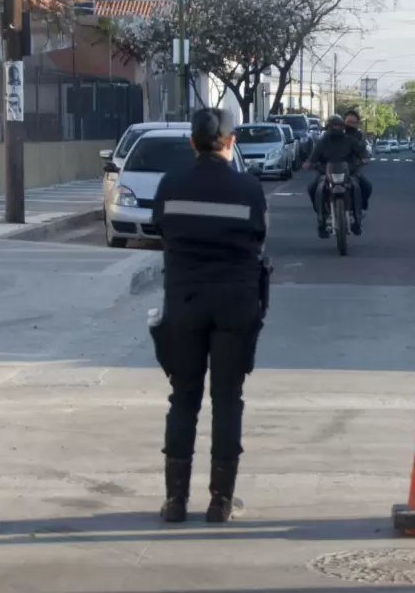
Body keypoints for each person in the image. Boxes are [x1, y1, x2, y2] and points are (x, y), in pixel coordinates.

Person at [149, 107, 270, 524]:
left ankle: (175, 502)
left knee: (183, 398)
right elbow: (259, 236)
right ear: (231, 141)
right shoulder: (249, 188)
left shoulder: (171, 184)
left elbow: (160, 229)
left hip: (184, 302)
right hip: (236, 303)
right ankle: (221, 501)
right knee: (227, 399)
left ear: (192, 143)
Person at [304, 114, 369, 237]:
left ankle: (358, 217)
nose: (337, 128)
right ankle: (321, 219)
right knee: (313, 189)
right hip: (325, 173)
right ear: (329, 127)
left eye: (339, 126)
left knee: (364, 186)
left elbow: (361, 151)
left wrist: (364, 158)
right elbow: (313, 157)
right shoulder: (322, 142)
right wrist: (308, 163)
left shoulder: (350, 140)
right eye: (334, 126)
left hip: (348, 172)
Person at [343, 109, 374, 212]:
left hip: (351, 169)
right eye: (348, 122)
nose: (351, 125)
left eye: (353, 123)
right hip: (333, 168)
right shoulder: (335, 133)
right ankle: (322, 214)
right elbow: (322, 148)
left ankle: (360, 208)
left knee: (367, 187)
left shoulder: (359, 136)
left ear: (357, 124)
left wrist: (364, 158)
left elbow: (363, 150)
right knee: (315, 187)